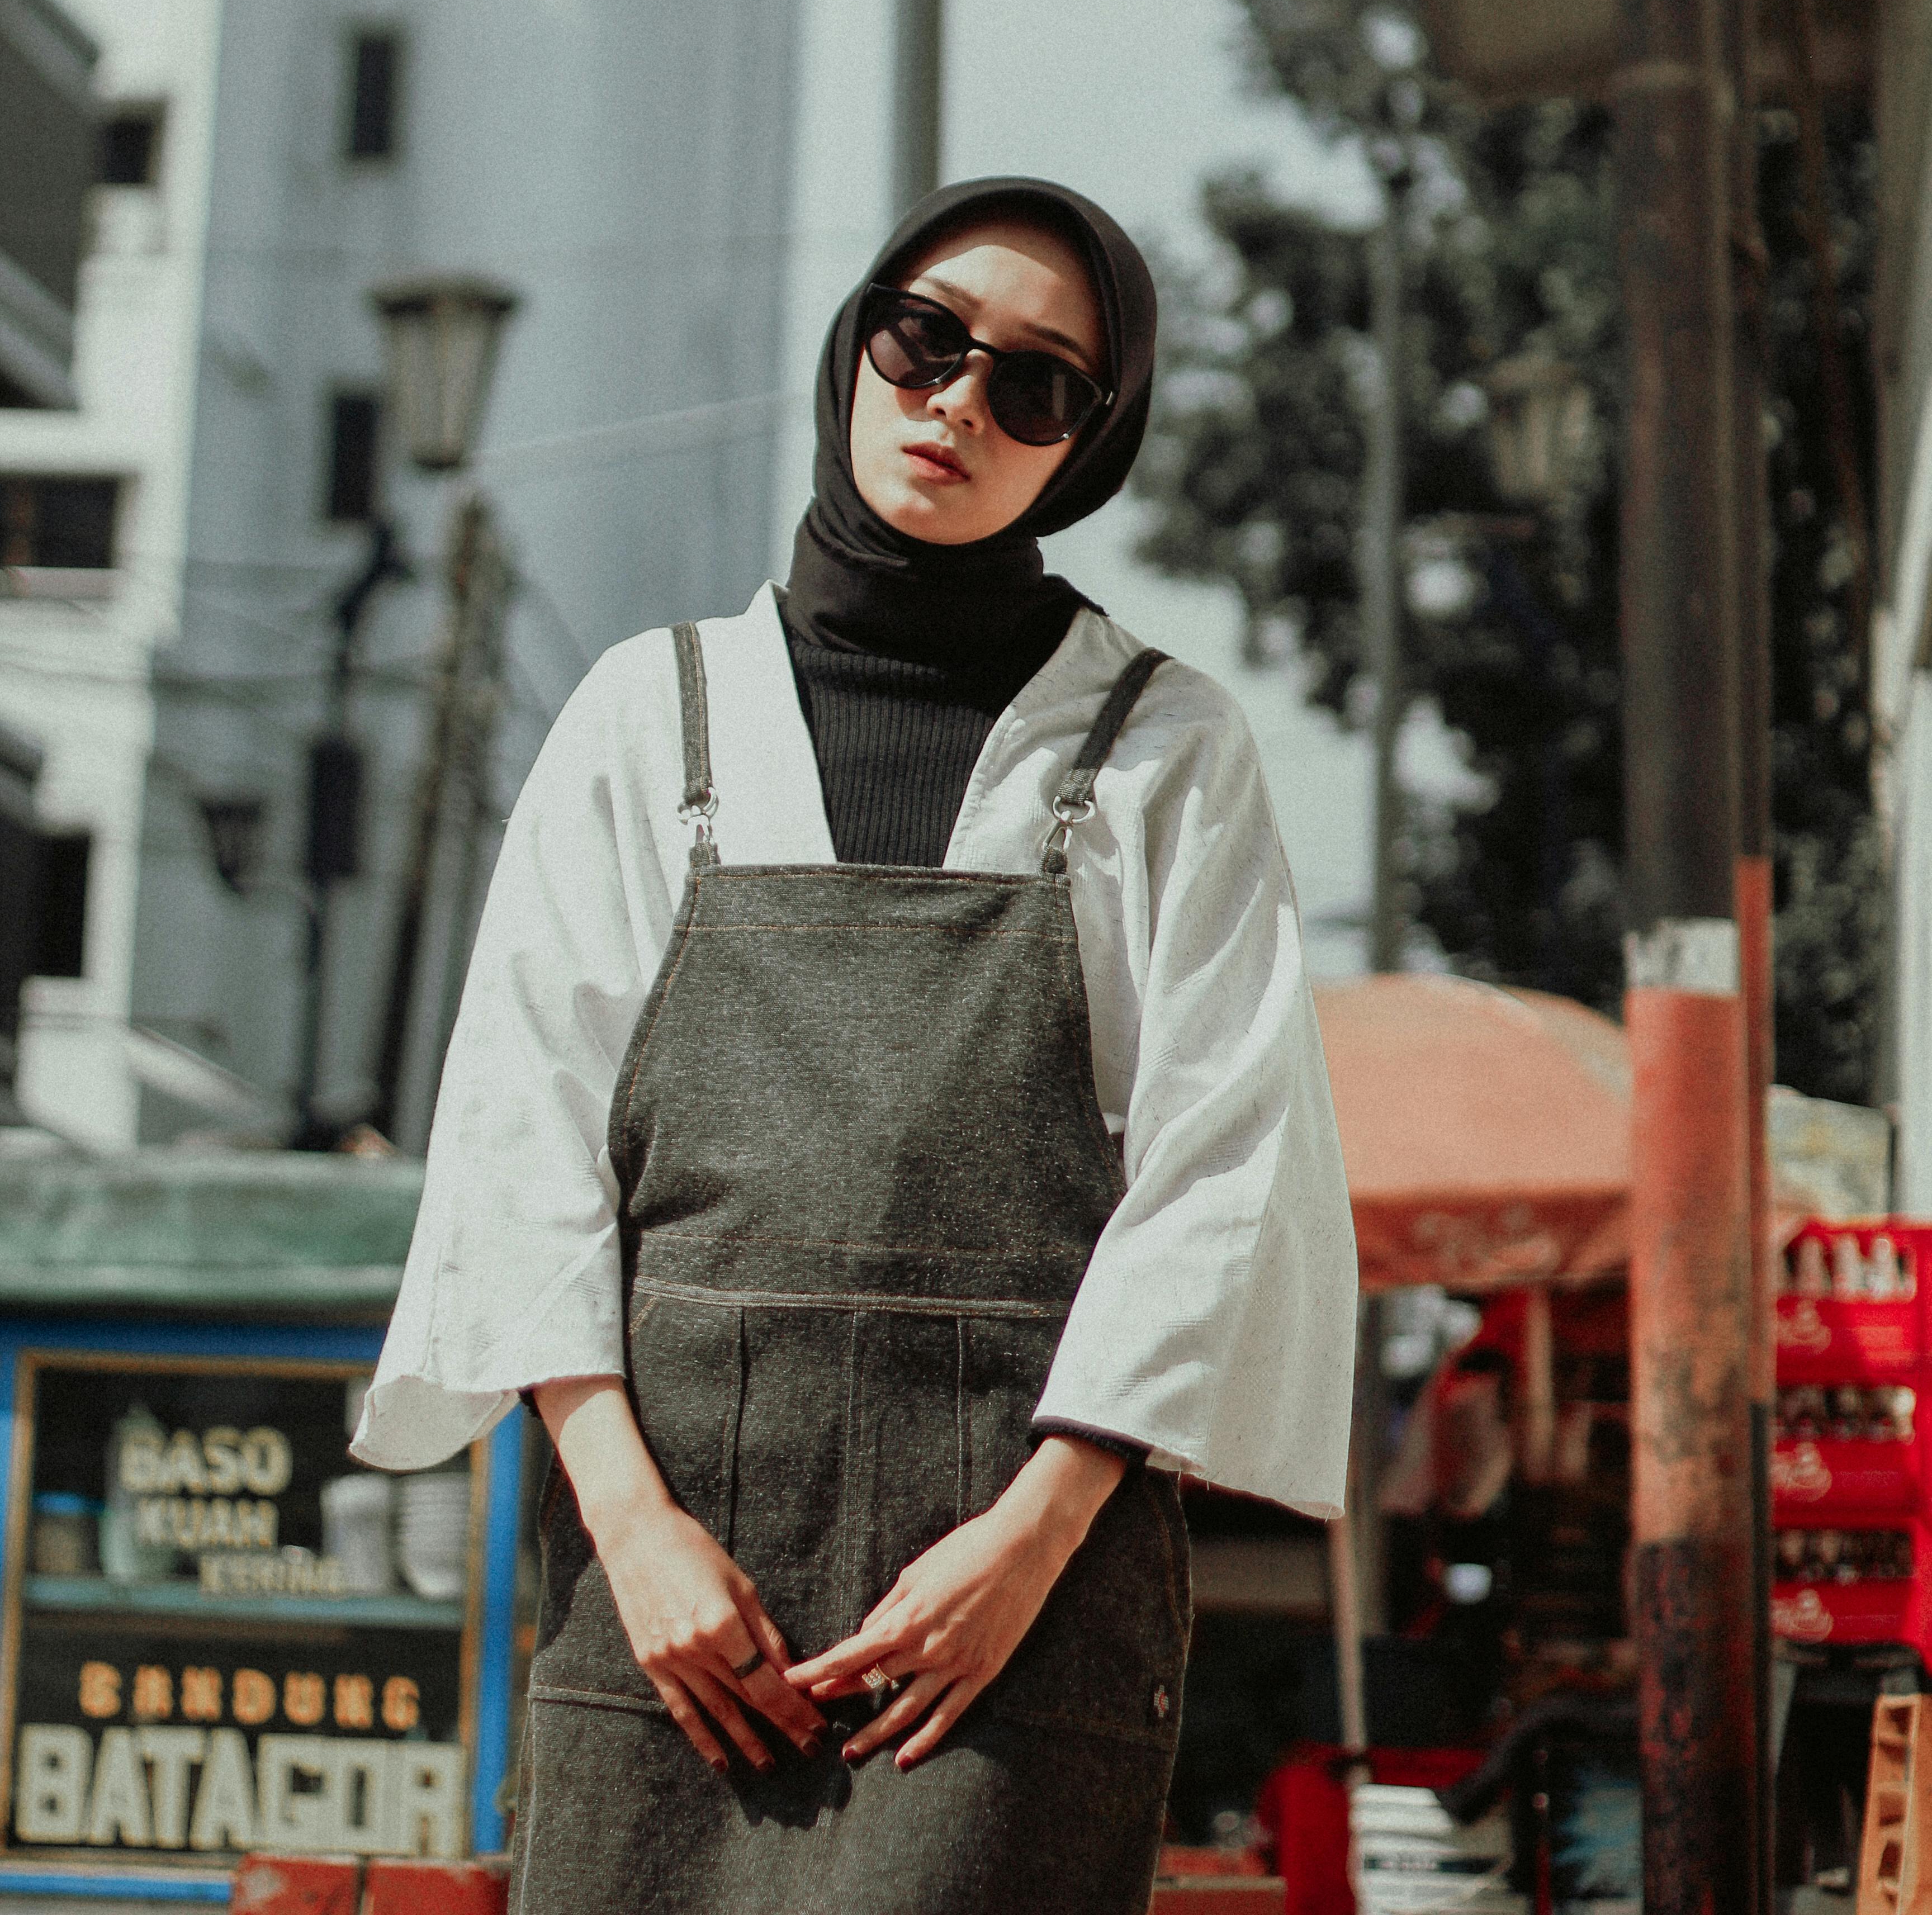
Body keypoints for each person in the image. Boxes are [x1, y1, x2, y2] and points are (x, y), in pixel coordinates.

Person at [355, 176, 1357, 1915]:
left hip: (1015, 1612)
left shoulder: (1166, 751)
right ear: (861, 347)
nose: (961, 401)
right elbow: (519, 1142)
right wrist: (634, 1529)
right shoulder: (639, 716)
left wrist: (1028, 1546)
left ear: (1088, 447)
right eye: (929, 338)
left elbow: (1227, 1178)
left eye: (1038, 384)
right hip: (666, 1586)